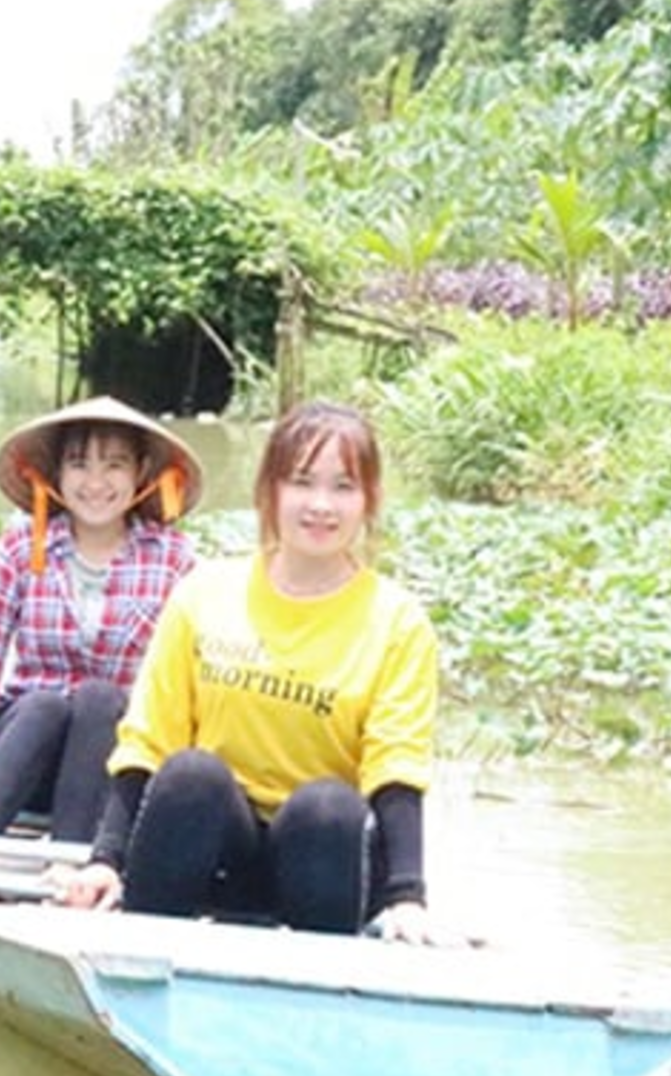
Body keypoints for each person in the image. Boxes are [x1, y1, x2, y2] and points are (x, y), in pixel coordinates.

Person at [58, 399, 443, 944]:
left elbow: (396, 765)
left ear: (369, 501)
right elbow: (150, 737)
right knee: (192, 776)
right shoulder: (204, 593)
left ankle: (322, 975)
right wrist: (106, 858)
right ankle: (140, 951)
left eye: (343, 487)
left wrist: (408, 896)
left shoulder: (398, 621)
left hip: (323, 859)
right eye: (302, 482)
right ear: (269, 491)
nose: (321, 505)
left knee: (327, 806)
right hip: (213, 846)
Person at [0, 396, 203, 843]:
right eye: (79, 464)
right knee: (46, 705)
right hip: (23, 752)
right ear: (57, 474)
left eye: (114, 465)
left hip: (111, 762)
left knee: (100, 699)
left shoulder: (174, 560)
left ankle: (71, 861)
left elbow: (187, 682)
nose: (96, 483)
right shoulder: (18, 550)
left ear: (141, 472)